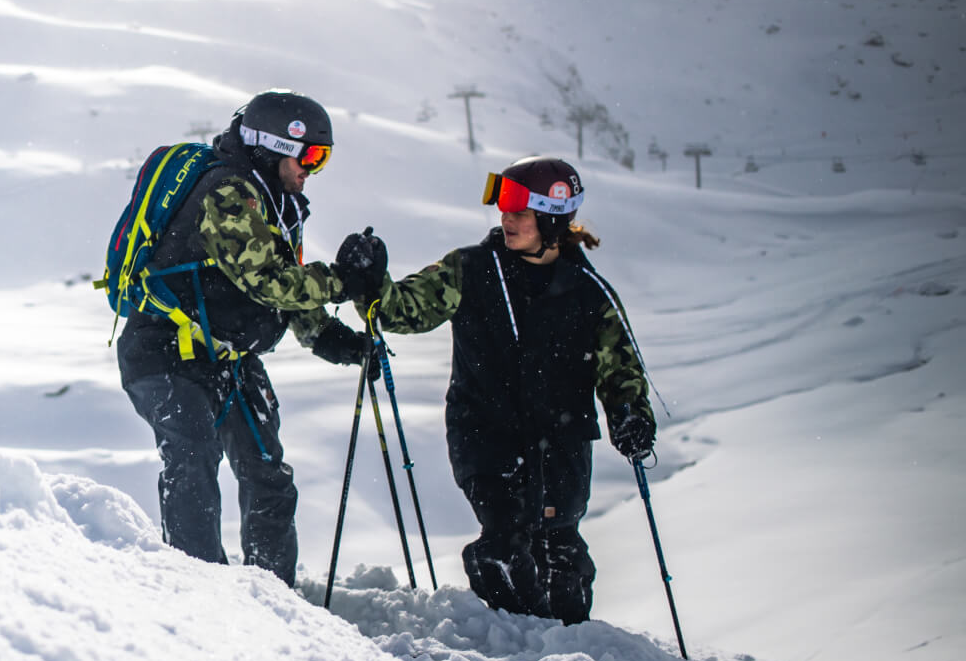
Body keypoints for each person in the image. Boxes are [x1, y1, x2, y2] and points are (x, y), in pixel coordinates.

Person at [357, 156, 655, 624]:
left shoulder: (589, 291)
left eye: (520, 211)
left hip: (562, 443)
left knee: (562, 554)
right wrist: (370, 281)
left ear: (552, 219)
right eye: (503, 208)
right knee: (508, 545)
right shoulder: (470, 269)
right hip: (487, 435)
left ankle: (570, 643)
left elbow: (620, 369)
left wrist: (631, 415)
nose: (506, 218)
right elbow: (399, 311)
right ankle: (518, 644)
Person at [116, 90, 387, 587]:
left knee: (267, 476)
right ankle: (199, 593)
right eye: (309, 156)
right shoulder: (226, 193)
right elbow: (265, 279)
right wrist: (344, 280)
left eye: (322, 158)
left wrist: (337, 341)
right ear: (272, 146)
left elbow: (285, 289)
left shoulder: (278, 203)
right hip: (164, 352)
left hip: (229, 359)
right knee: (193, 458)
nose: (313, 169)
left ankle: (272, 597)